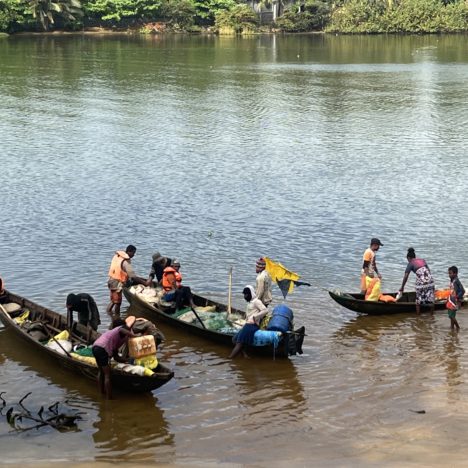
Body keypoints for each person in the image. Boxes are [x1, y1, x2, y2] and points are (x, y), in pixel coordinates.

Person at [92, 316, 137, 399]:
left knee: (101, 372)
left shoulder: (114, 337)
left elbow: (116, 358)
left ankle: (102, 392)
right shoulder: (119, 329)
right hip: (102, 349)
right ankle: (109, 398)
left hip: (95, 347)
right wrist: (134, 336)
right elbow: (122, 330)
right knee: (107, 375)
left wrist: (128, 360)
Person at [106, 245, 149, 317]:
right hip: (117, 283)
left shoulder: (117, 257)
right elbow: (133, 277)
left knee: (113, 301)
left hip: (111, 280)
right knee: (118, 303)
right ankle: (117, 318)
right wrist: (145, 283)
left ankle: (109, 314)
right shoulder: (125, 262)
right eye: (133, 253)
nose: (134, 255)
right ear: (129, 252)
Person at [229, 285, 268, 359]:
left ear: (250, 293)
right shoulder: (250, 302)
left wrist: (256, 317)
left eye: (246, 294)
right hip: (247, 324)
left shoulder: (256, 301)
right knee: (234, 339)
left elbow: (265, 310)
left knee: (239, 342)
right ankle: (244, 354)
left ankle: (230, 358)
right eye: (244, 294)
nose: (245, 296)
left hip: (252, 325)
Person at [398, 247, 435, 315]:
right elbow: (428, 271)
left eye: (407, 259)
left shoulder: (410, 263)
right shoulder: (422, 260)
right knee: (431, 299)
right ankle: (431, 316)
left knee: (418, 301)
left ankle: (418, 316)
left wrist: (402, 287)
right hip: (430, 281)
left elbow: (406, 276)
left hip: (421, 282)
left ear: (408, 258)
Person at [447, 266, 464, 331]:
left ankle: (458, 327)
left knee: (451, 315)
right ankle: (452, 328)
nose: (449, 275)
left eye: (450, 273)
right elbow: (452, 290)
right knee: (451, 314)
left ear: (455, 273)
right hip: (451, 300)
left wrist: (457, 297)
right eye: (449, 273)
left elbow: (462, 290)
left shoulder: (456, 281)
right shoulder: (452, 280)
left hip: (455, 301)